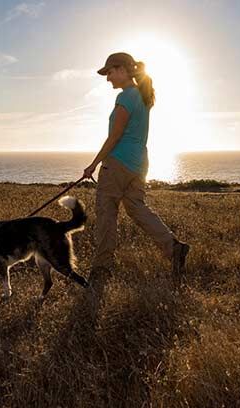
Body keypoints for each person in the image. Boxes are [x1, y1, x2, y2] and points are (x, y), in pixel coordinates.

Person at [81, 52, 189, 281]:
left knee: (106, 214)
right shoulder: (142, 96)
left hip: (118, 163)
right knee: (136, 208)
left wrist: (93, 164)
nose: (108, 78)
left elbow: (115, 136)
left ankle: (101, 269)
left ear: (123, 70)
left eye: (110, 72)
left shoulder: (126, 97)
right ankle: (173, 247)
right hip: (139, 164)